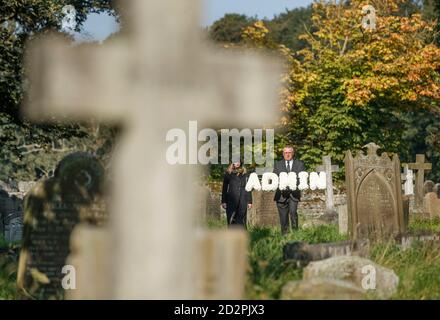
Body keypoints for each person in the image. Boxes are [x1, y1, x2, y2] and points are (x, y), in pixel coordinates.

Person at [273, 145, 306, 234]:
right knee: (283, 217)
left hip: (293, 194)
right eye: (285, 153)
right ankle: (285, 235)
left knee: (293, 213)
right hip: (281, 195)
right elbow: (274, 178)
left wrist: (293, 185)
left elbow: (302, 179)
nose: (287, 154)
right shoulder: (277, 164)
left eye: (289, 152)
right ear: (283, 154)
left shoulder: (299, 164)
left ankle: (295, 234)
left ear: (293, 153)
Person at [221, 161, 252, 228]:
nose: (237, 163)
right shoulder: (228, 173)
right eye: (235, 161)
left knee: (241, 220)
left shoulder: (245, 173)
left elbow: (248, 187)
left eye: (238, 162)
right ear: (232, 162)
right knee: (231, 219)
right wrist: (223, 201)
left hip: (243, 200)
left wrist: (249, 201)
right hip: (231, 200)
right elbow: (224, 188)